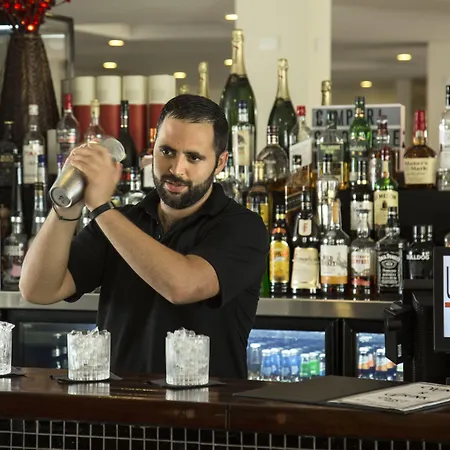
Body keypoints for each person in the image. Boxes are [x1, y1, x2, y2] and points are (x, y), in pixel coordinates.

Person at [20, 94, 269, 379]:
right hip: (119, 404)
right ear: (153, 149)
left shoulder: (243, 227)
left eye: (193, 157)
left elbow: (182, 286)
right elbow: (38, 289)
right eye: (167, 151)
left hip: (205, 405)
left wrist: (100, 207)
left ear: (220, 162)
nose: (176, 169)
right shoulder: (122, 221)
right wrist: (68, 202)